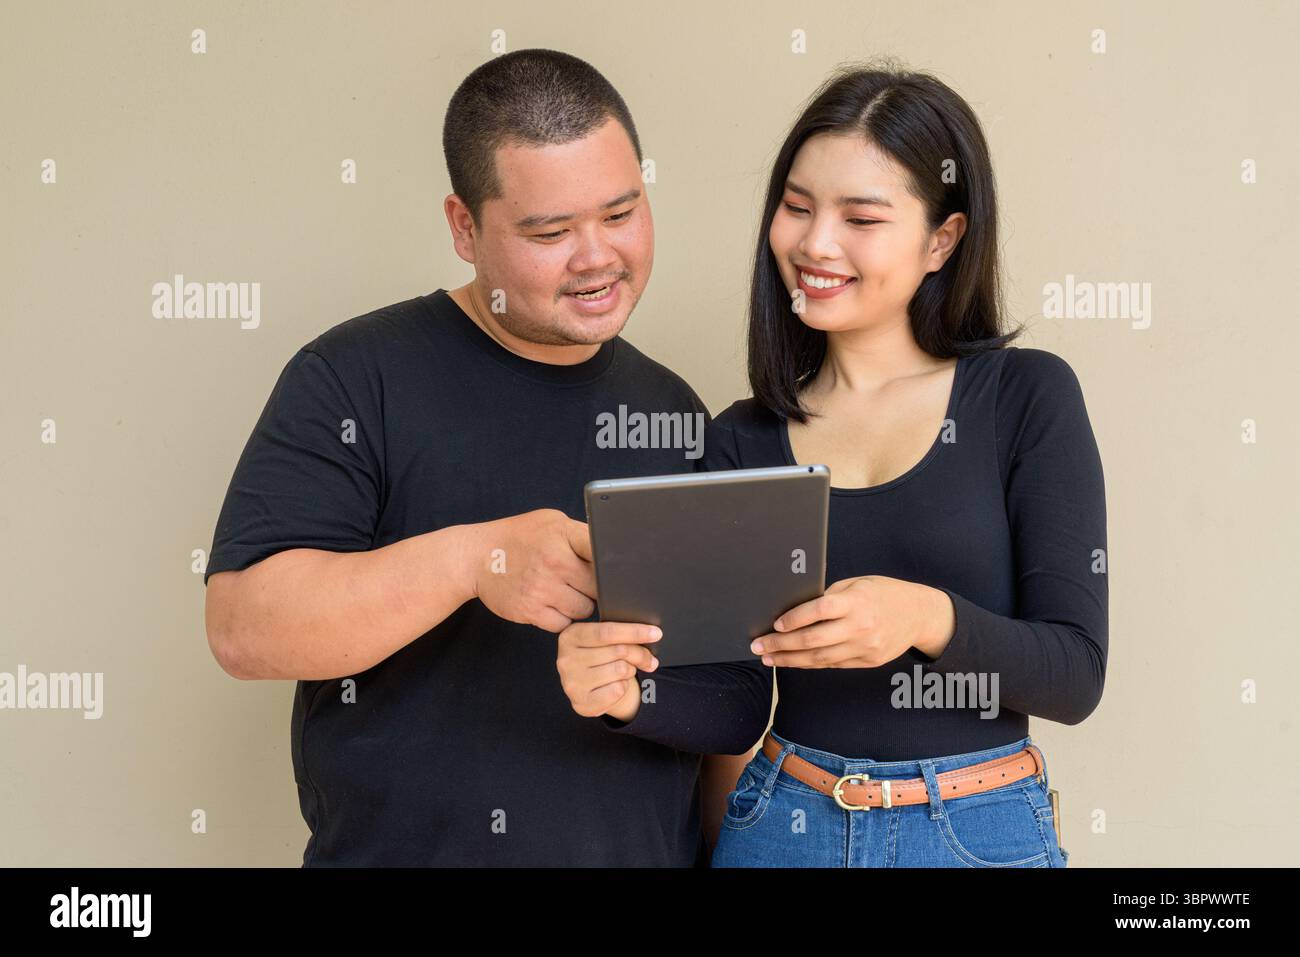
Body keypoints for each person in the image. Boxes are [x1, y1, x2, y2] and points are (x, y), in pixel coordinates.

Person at [202, 48, 758, 866]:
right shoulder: (355, 378)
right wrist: (472, 560)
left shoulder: (675, 412)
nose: (597, 256)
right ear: (464, 228)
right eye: (550, 231)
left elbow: (726, 707)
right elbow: (243, 628)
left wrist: (635, 695)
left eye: (620, 212)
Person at [557, 62, 1107, 867]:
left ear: (942, 240)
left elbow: (1075, 672)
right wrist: (619, 693)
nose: (815, 243)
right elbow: (736, 700)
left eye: (861, 217)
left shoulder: (1025, 398)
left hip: (977, 829)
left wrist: (923, 618)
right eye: (797, 206)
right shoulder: (741, 438)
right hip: (783, 823)